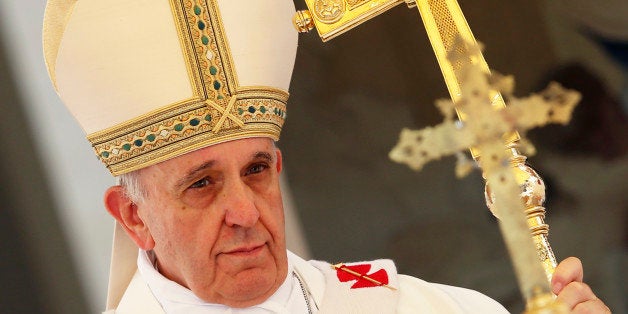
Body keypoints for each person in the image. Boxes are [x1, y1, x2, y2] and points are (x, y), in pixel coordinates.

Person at [42, 0, 610, 313]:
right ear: (134, 216)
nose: (245, 211)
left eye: (256, 170)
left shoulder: (414, 309)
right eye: (201, 184)